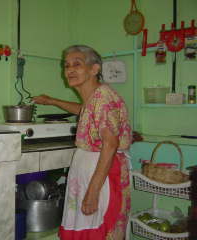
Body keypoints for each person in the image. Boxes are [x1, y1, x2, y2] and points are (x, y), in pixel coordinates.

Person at [32, 45, 132, 240]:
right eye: (66, 65)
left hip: (103, 177)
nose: (70, 69)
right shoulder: (95, 97)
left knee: (100, 230)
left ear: (94, 69)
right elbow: (84, 109)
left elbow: (110, 145)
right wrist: (51, 101)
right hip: (93, 172)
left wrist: (93, 192)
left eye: (77, 64)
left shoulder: (103, 97)